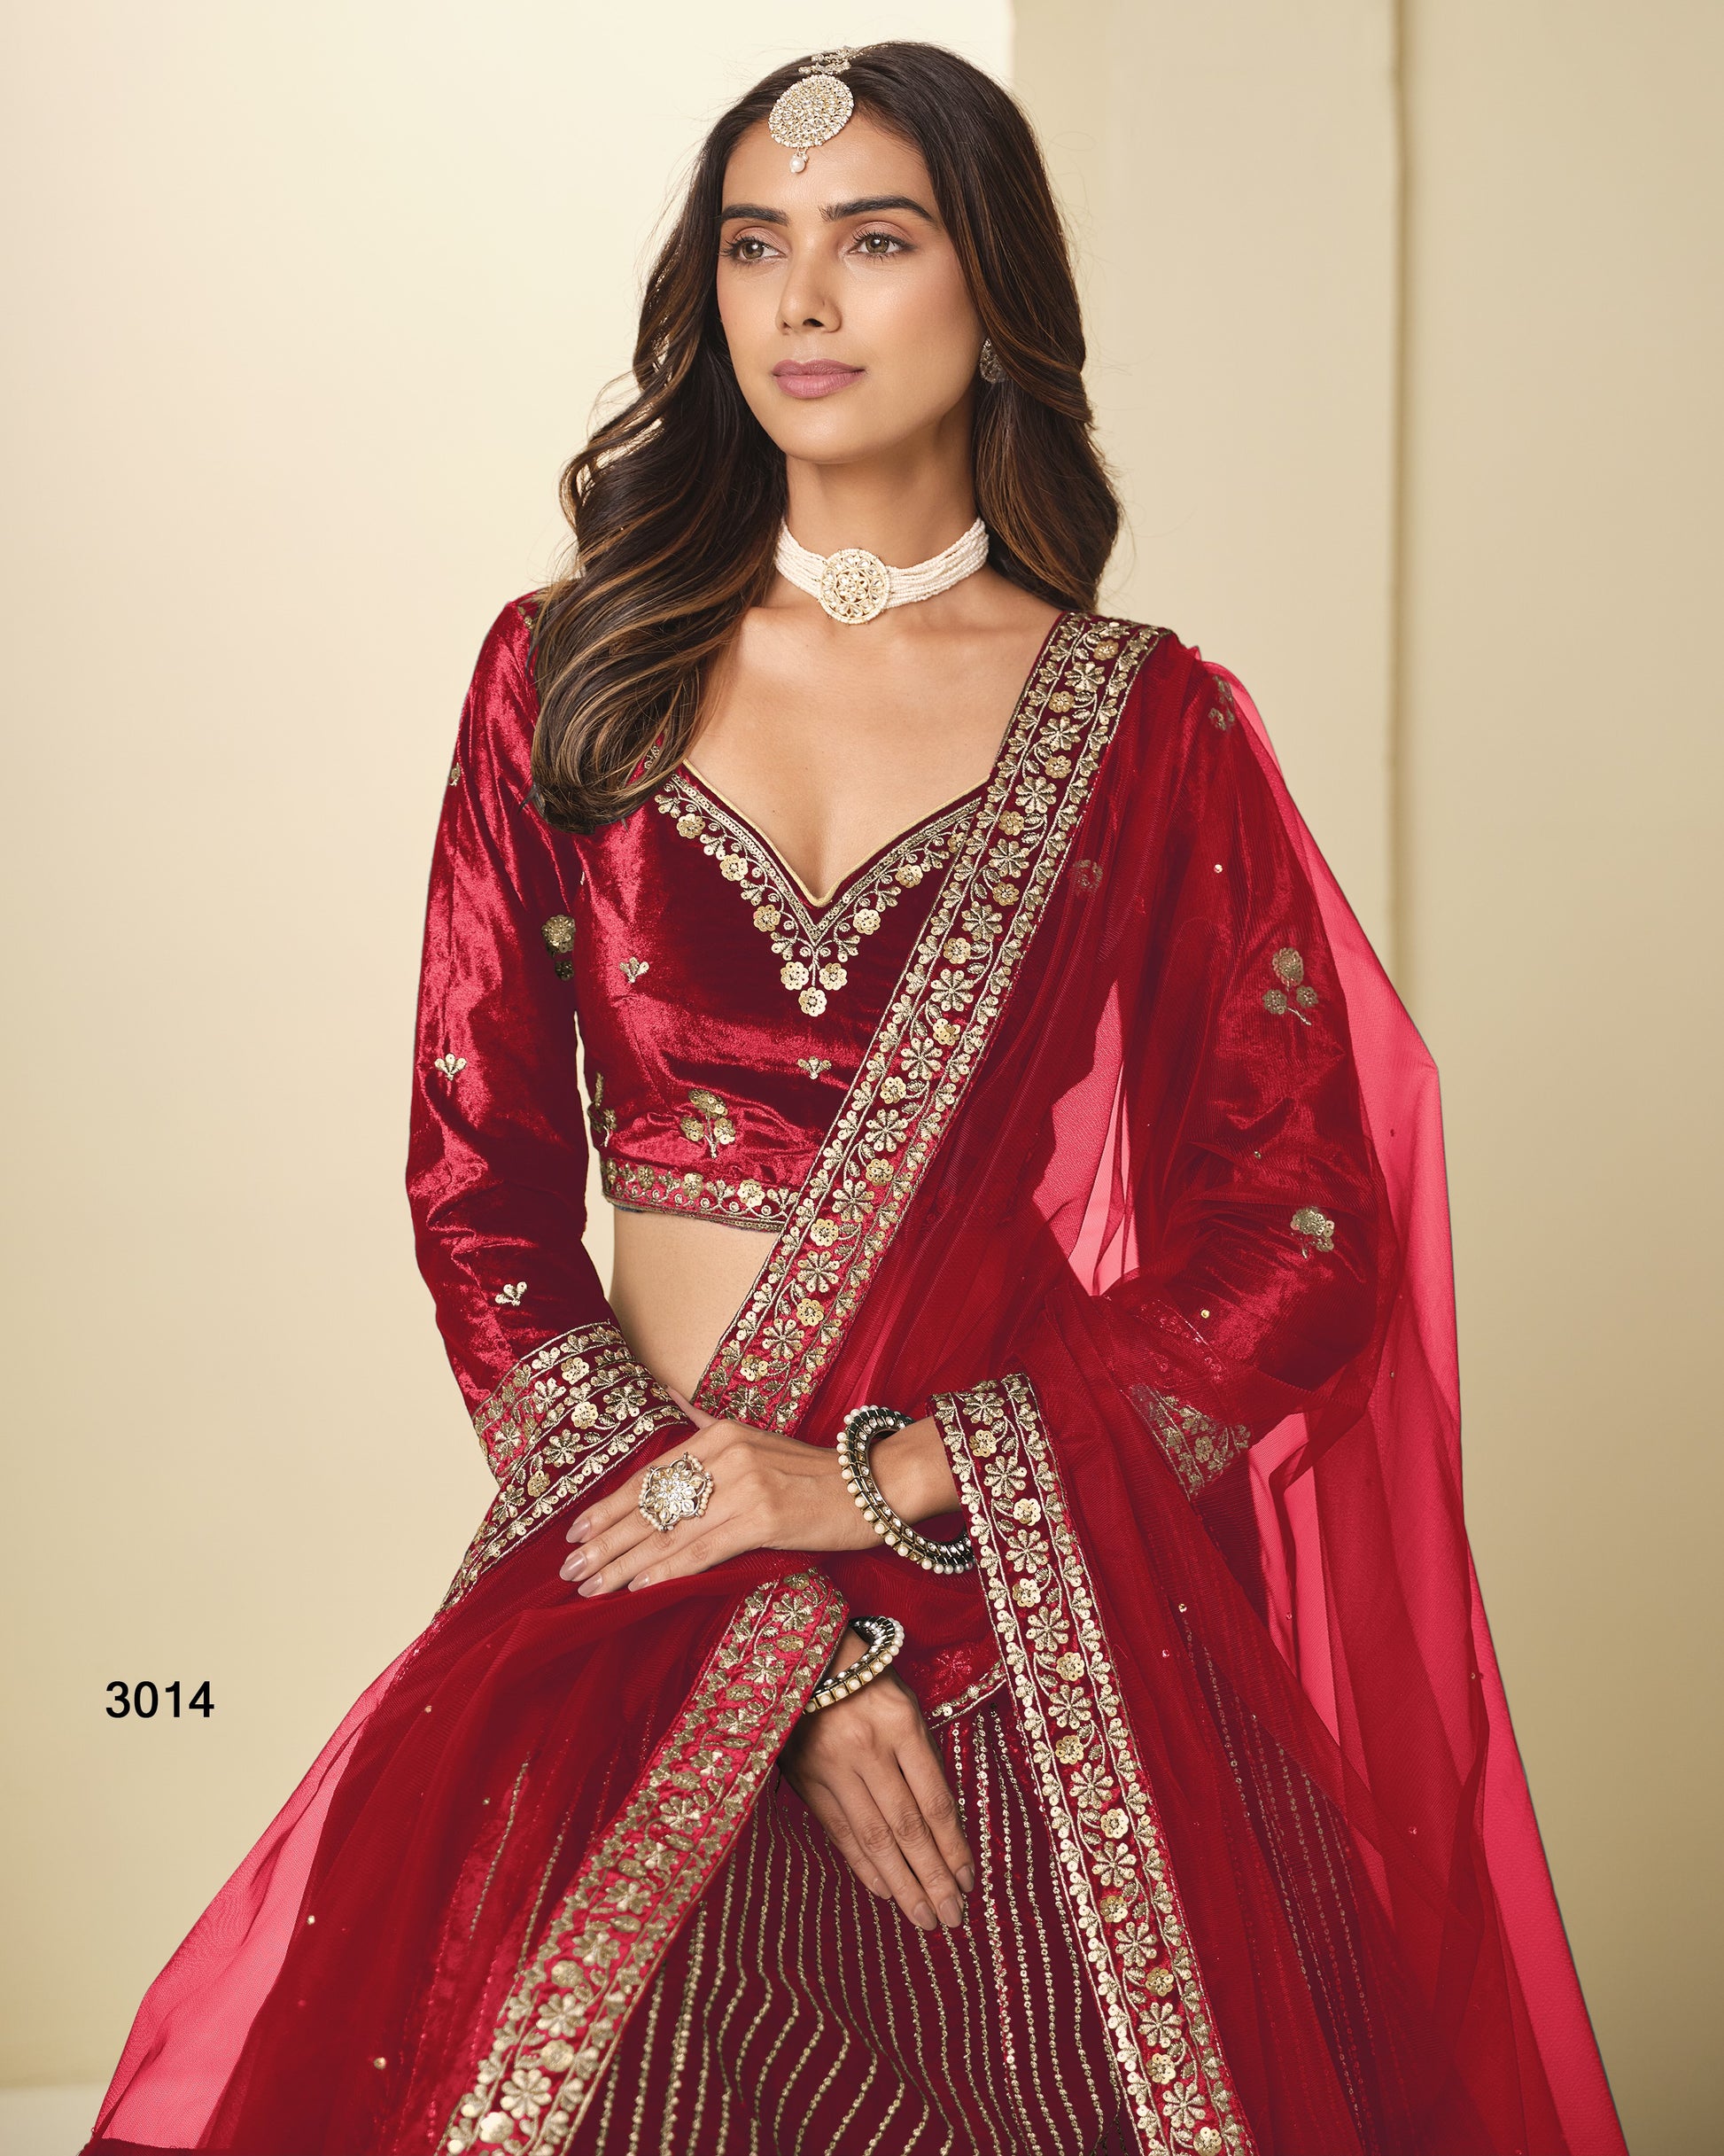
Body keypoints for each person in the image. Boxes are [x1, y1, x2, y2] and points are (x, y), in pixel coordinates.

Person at [83, 42, 1627, 2156]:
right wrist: (749, 1596)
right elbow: (480, 1197)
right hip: (635, 1572)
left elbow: (1301, 1235)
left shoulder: (1141, 727)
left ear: (993, 290)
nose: (800, 300)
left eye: (873, 239)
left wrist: (876, 1486)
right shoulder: (573, 677)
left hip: (1016, 1616)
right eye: (754, 246)